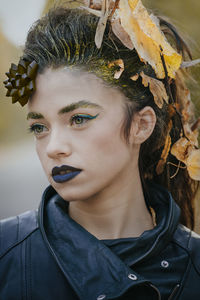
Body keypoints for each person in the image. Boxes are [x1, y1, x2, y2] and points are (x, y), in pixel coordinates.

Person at [1, 0, 200, 299]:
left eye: (79, 119)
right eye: (39, 127)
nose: (53, 148)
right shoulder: (6, 253)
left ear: (141, 125)